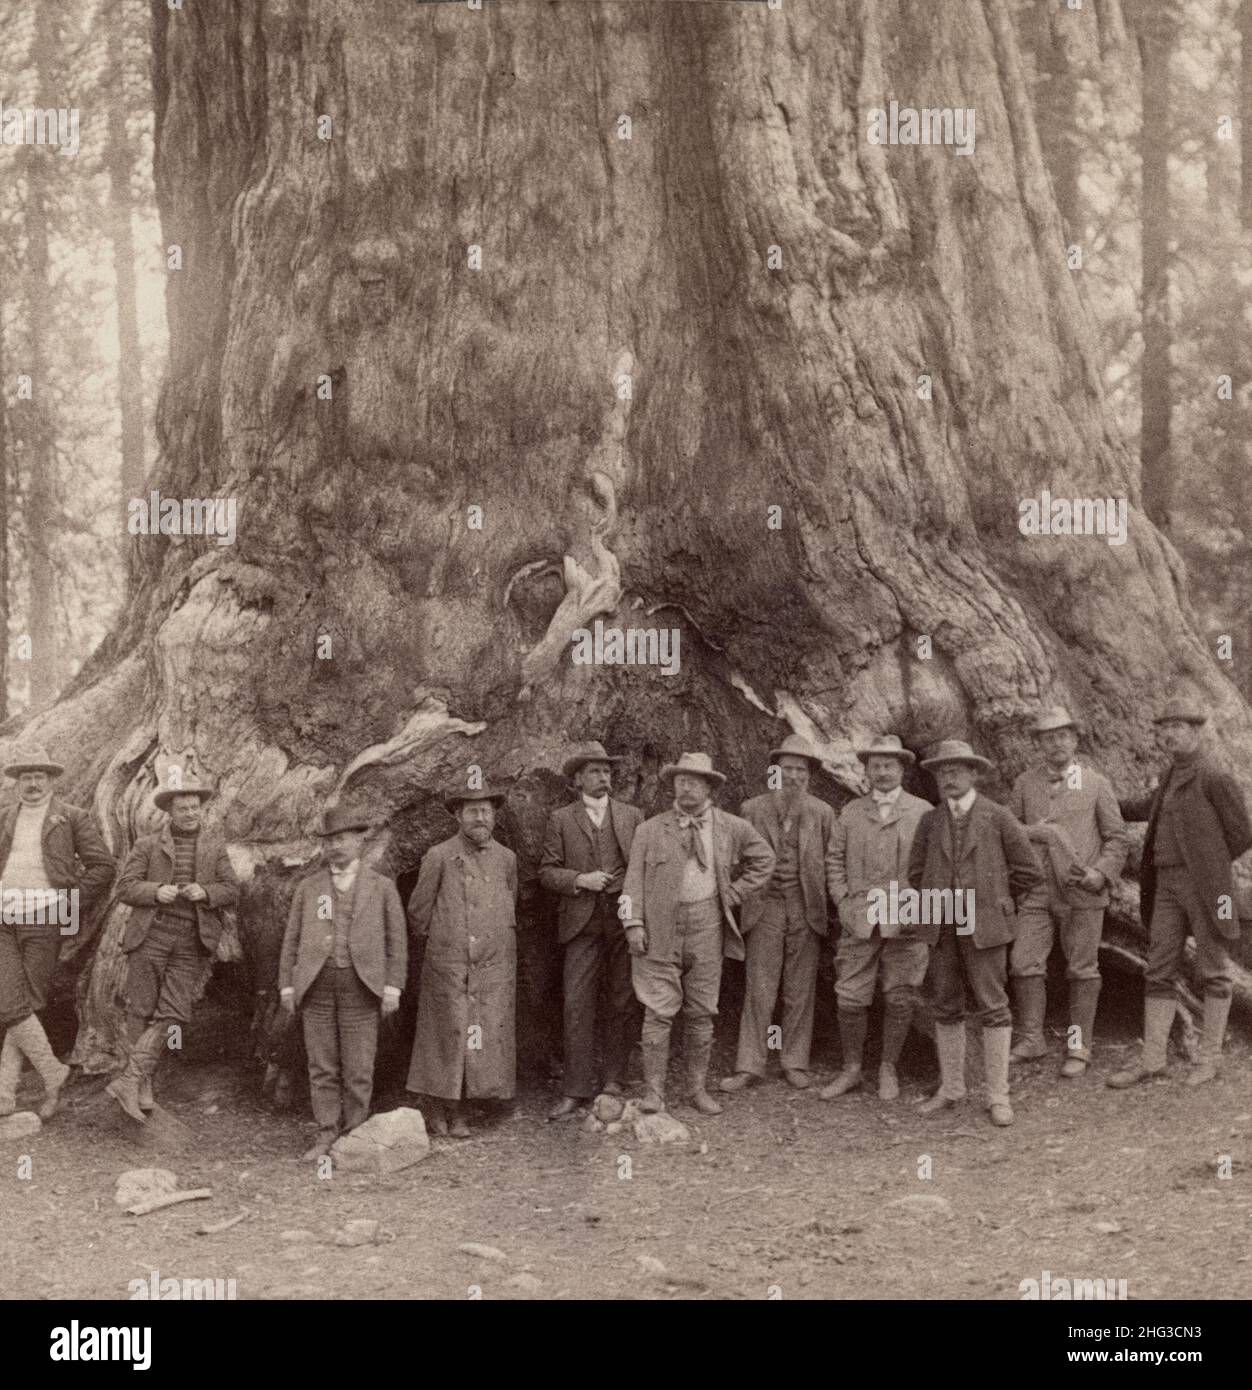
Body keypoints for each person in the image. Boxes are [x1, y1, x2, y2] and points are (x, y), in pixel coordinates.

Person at [1108, 699, 1252, 1089]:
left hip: (1207, 887)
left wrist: (1210, 865)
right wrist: (1101, 797)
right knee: (1159, 967)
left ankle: (1210, 1059)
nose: (1168, 734)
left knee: (1212, 970)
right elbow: (1142, 808)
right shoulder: (1168, 775)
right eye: (1163, 727)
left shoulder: (1213, 775)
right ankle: (1152, 1059)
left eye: (1177, 726)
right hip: (1165, 885)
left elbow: (1242, 832)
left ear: (1195, 730)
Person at [621, 752, 774, 1115]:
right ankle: (654, 1093)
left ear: (710, 787)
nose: (686, 787)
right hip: (660, 927)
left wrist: (734, 893)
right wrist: (633, 925)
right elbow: (631, 884)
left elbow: (765, 859)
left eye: (694, 781)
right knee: (657, 1011)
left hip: (708, 924)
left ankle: (696, 1090)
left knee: (702, 1011)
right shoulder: (650, 829)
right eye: (680, 780)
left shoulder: (729, 827)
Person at [908, 741, 1042, 1126]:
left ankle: (998, 1095)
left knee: (993, 1005)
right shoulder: (930, 821)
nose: (947, 779)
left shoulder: (997, 817)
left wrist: (996, 901)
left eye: (955, 771)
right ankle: (951, 1088)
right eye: (941, 772)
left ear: (973, 774)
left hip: (984, 925)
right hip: (943, 923)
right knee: (946, 1004)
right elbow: (915, 874)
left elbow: (1029, 873)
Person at [109, 774, 239, 1121]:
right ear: (169, 811)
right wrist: (155, 891)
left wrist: (206, 893)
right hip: (151, 933)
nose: (190, 813)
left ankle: (130, 1078)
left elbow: (232, 889)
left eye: (195, 807)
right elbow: (125, 888)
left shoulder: (213, 847)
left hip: (190, 940)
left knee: (175, 1014)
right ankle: (142, 1085)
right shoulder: (147, 846)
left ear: (202, 809)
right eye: (182, 808)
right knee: (140, 1010)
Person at [279, 806, 406, 1159]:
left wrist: (392, 987)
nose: (335, 847)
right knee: (322, 1065)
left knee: (359, 1066)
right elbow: (292, 939)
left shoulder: (381, 887)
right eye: (330, 841)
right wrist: (288, 986)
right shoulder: (310, 887)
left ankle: (354, 1135)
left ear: (358, 842)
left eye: (342, 839)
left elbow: (397, 942)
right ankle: (325, 1133)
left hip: (362, 987)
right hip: (316, 987)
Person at [1007, 707, 1127, 1076]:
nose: (1056, 743)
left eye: (1062, 735)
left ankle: (1078, 1046)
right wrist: (1035, 832)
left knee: (1082, 969)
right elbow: (1008, 831)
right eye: (1047, 737)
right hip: (1035, 892)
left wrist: (1101, 873)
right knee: (1023, 963)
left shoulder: (1094, 783)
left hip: (1081, 890)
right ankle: (1031, 1039)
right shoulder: (1025, 783)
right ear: (1038, 744)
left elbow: (1117, 838)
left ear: (1075, 740)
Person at [0, 744, 114, 1119]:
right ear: (17, 783)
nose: (32, 783)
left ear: (50, 780)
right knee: (12, 1003)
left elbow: (102, 866)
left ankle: (4, 1095)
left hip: (44, 919)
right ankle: (52, 1073)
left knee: (19, 1004)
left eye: (39, 776)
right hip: (4, 917)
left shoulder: (72, 817)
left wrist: (66, 902)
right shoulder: (5, 817)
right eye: (25, 777)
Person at [721, 734, 836, 1095]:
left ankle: (793, 1062)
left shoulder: (822, 812)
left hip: (806, 908)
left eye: (801, 770)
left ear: (809, 775)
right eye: (787, 769)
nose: (794, 776)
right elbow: (736, 861)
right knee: (760, 987)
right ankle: (750, 1065)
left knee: (800, 990)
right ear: (775, 772)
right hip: (764, 906)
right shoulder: (752, 809)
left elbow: (832, 863)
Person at [822, 734, 930, 1101]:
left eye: (889, 765)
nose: (882, 772)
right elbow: (834, 860)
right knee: (850, 995)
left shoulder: (922, 812)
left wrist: (919, 906)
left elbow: (933, 866)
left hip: (906, 920)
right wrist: (842, 900)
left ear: (902, 769)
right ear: (866, 770)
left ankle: (888, 1068)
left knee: (900, 996)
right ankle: (851, 1069)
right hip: (860, 918)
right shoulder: (852, 812)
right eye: (875, 765)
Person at [406, 782, 517, 1138]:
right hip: (449, 966)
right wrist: (447, 944)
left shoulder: (506, 859)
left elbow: (508, 904)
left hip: (489, 970)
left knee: (478, 1035)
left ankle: (464, 1108)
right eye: (472, 811)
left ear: (495, 816)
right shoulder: (438, 856)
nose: (480, 817)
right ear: (458, 815)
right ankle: (438, 1106)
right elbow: (419, 912)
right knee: (446, 1036)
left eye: (486, 810)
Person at [539, 742, 643, 1120]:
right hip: (581, 920)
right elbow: (546, 871)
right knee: (576, 1002)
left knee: (621, 998)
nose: (604, 777)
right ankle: (575, 1088)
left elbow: (642, 868)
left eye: (607, 771)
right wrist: (581, 879)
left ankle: (614, 1079)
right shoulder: (561, 819)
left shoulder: (632, 815)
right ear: (578, 779)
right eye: (595, 771)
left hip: (622, 917)